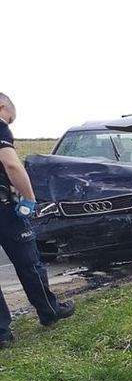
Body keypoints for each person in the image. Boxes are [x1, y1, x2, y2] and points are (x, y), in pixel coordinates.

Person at [0, 93, 73, 348]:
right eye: (10, 118)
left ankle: (1, 335)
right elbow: (11, 165)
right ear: (2, 107)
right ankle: (49, 312)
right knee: (29, 263)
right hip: (4, 210)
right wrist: (29, 199)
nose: (9, 123)